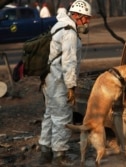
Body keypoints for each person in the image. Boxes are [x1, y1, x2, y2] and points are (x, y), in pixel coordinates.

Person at [38, 0, 91, 166]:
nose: (87, 22)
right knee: (62, 117)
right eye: (85, 18)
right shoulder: (69, 32)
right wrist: (71, 86)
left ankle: (45, 151)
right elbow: (69, 62)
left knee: (50, 115)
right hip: (58, 80)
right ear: (76, 15)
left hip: (49, 78)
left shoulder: (60, 25)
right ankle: (60, 156)